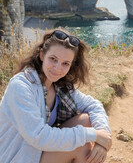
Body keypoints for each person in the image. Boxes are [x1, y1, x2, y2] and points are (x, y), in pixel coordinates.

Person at [0, 28, 112, 163]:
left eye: (65, 63)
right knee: (81, 146)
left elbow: (94, 105)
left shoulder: (59, 87)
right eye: (53, 59)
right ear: (42, 55)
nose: (58, 68)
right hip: (18, 156)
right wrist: (93, 135)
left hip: (39, 151)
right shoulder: (21, 86)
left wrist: (102, 137)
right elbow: (38, 136)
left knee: (86, 120)